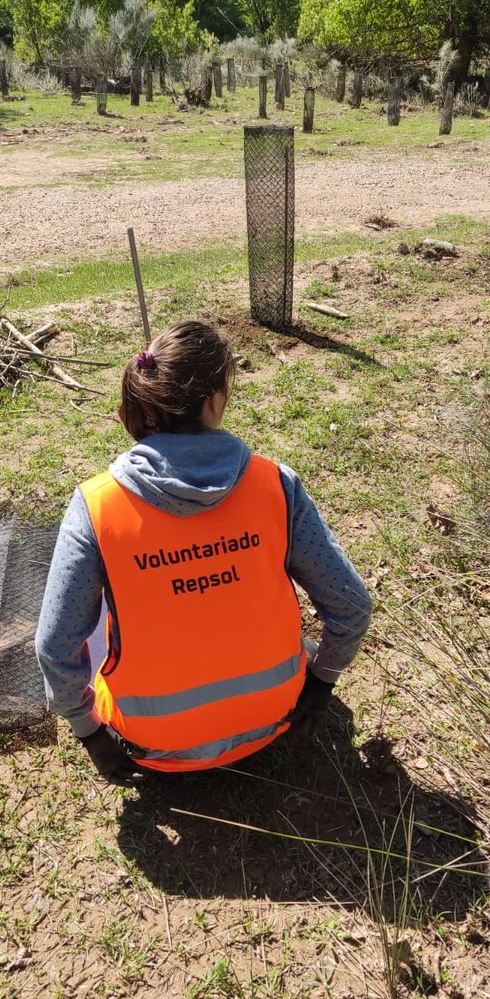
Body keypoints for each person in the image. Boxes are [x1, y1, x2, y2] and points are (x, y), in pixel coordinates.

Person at [36, 320, 372, 784]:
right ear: (216, 402)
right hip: (274, 718)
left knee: (95, 615)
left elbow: (54, 646)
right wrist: (318, 688)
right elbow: (352, 606)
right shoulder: (276, 485)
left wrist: (90, 735)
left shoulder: (95, 507)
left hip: (149, 743)